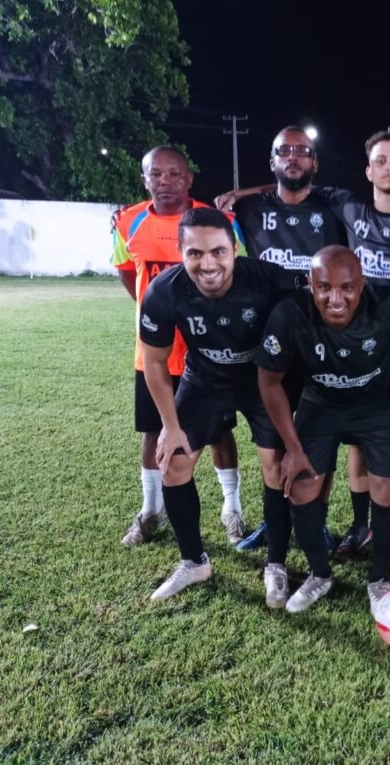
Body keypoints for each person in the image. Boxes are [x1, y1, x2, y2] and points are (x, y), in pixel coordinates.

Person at [256, 246, 390, 613]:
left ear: (362, 284)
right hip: (320, 403)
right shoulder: (289, 313)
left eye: (347, 288)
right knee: (300, 486)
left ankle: (378, 579)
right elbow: (269, 382)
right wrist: (293, 448)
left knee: (388, 488)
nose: (335, 299)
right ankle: (320, 574)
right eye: (324, 288)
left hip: (376, 406)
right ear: (310, 284)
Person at [138, 207, 281, 600]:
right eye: (195, 253)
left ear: (234, 249)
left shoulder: (266, 278)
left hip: (261, 381)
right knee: (174, 463)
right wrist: (170, 426)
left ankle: (276, 564)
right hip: (204, 379)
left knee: (276, 468)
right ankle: (194, 562)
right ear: (181, 254)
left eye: (218, 251)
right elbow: (154, 362)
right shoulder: (164, 291)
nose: (208, 264)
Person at [112, 146, 247, 547]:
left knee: (219, 432)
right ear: (145, 179)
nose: (165, 182)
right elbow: (128, 275)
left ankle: (232, 508)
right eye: (156, 174)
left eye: (174, 174)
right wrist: (157, 314)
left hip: (208, 352)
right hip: (154, 353)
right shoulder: (128, 221)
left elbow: (235, 272)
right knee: (153, 430)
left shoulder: (216, 220)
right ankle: (151, 510)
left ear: (189, 178)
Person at [227, 125, 349, 554]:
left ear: (315, 162)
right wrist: (242, 193)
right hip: (269, 342)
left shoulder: (334, 209)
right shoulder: (247, 209)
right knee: (273, 441)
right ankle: (273, 521)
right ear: (272, 161)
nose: (293, 157)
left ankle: (317, 521)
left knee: (321, 438)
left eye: (302, 151)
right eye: (284, 151)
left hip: (322, 341)